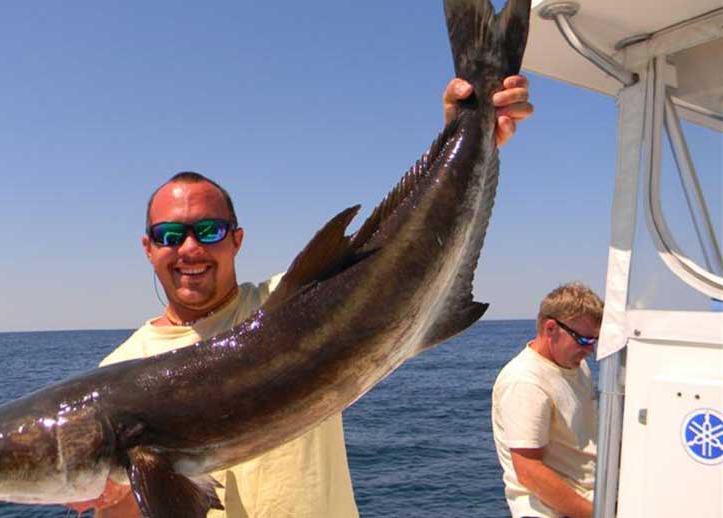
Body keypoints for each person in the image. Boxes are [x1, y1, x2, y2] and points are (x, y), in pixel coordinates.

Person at [82, 75, 534, 518]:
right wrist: (111, 495)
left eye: (209, 230)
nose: (190, 249)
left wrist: (467, 131)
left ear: (236, 239)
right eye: (169, 235)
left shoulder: (294, 306)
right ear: (149, 248)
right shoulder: (117, 376)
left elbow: (404, 254)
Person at [491, 283, 605, 518]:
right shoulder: (525, 382)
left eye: (594, 341)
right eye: (583, 340)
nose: (590, 350)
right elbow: (529, 471)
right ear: (551, 328)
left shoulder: (576, 365)